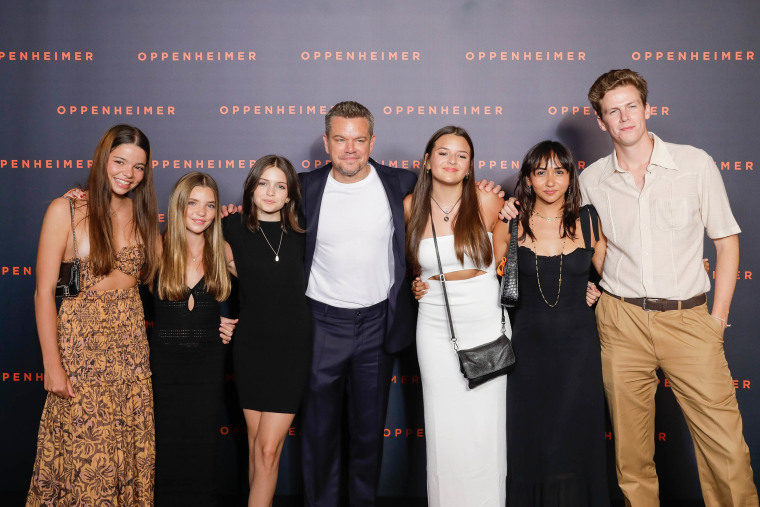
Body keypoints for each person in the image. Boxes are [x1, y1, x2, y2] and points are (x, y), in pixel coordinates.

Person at [580, 69, 757, 506]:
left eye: (631, 107)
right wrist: (603, 287)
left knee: (726, 449)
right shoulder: (591, 180)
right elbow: (596, 246)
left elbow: (727, 242)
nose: (624, 118)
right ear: (601, 122)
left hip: (689, 319)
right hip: (621, 324)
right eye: (612, 111)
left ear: (646, 108)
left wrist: (716, 320)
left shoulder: (694, 163)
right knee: (631, 456)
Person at [28, 124, 160, 505]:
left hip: (131, 355)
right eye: (120, 161)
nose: (128, 173)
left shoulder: (143, 215)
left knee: (127, 454)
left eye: (138, 167)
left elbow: (171, 276)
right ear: (103, 159)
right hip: (81, 354)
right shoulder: (66, 210)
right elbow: (43, 293)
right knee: (86, 458)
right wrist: (52, 365)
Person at [298, 101, 418, 507]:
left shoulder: (402, 183)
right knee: (319, 432)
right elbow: (256, 226)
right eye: (340, 139)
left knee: (368, 434)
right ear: (327, 143)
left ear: (372, 141)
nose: (350, 148)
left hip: (376, 325)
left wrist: (495, 197)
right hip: (320, 323)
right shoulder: (302, 188)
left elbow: (455, 202)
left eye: (359, 139)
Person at [498, 141, 609, 506]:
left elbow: (618, 279)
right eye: (540, 171)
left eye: (559, 171)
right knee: (531, 437)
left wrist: (598, 290)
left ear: (570, 176)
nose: (550, 180)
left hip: (580, 352)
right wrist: (424, 284)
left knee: (575, 436)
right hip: (526, 353)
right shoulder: (510, 223)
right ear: (528, 179)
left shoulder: (589, 221)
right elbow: (479, 278)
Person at [404, 126, 510, 506]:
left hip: (483, 318)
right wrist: (418, 283)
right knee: (443, 422)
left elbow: (513, 259)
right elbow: (415, 268)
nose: (452, 161)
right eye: (443, 153)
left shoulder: (487, 201)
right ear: (428, 161)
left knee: (484, 425)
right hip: (433, 323)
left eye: (461, 155)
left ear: (470, 166)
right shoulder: (410, 205)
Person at [222, 155, 312, 507]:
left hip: (292, 348)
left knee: (269, 448)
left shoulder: (306, 232)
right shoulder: (229, 226)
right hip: (251, 347)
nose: (271, 192)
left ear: (289, 195)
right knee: (255, 445)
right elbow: (189, 261)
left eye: (280, 185)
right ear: (251, 187)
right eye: (263, 183)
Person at [151, 172, 238, 505]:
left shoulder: (223, 250)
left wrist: (236, 326)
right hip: (164, 368)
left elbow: (268, 292)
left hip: (207, 366)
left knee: (203, 450)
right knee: (166, 448)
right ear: (178, 206)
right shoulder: (157, 247)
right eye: (193, 203)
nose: (201, 212)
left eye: (210, 205)